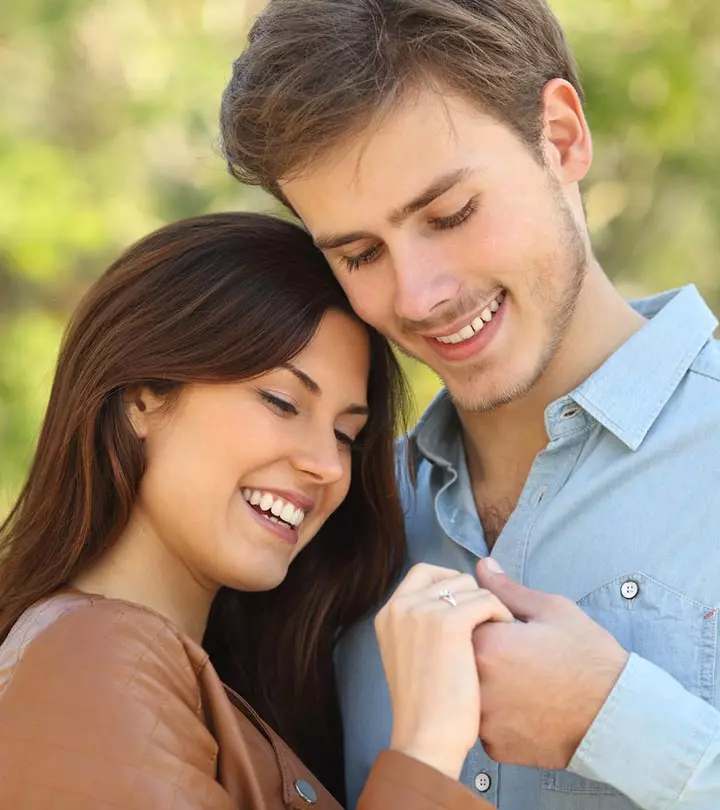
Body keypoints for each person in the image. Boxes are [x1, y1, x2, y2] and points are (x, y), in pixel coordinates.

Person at [218, 2, 720, 809]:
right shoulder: (333, 523)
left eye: (450, 215)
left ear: (561, 138)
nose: (419, 298)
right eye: (359, 254)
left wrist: (618, 722)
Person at [0, 212, 511, 810]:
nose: (327, 465)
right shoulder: (90, 658)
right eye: (281, 401)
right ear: (142, 396)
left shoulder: (193, 680)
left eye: (346, 435)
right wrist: (426, 750)